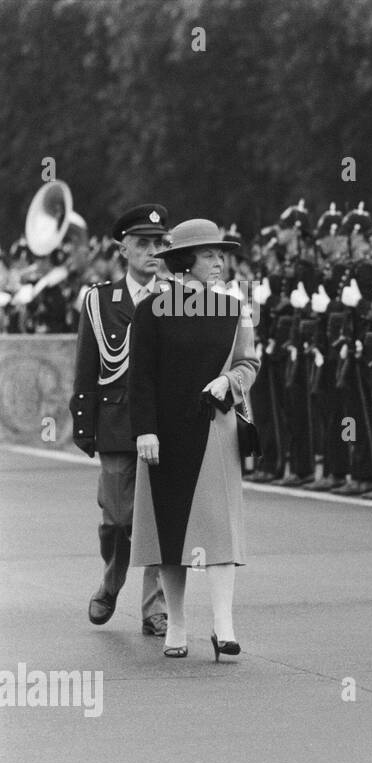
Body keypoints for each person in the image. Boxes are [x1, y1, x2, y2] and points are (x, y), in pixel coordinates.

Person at [128, 219, 261, 659]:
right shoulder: (151, 309)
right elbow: (141, 376)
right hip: (164, 433)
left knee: (220, 530)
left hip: (215, 428)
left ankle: (224, 626)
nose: (219, 262)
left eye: (221, 254)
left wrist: (229, 382)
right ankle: (177, 625)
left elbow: (248, 363)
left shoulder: (234, 308)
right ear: (186, 260)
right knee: (170, 534)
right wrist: (144, 429)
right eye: (209, 254)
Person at [70, 204, 169, 637]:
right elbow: (87, 364)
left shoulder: (179, 299)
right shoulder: (99, 300)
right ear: (123, 249)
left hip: (164, 423)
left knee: (160, 519)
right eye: (143, 244)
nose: (152, 251)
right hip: (116, 423)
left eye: (159, 243)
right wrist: (84, 424)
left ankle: (155, 608)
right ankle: (112, 581)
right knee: (116, 519)